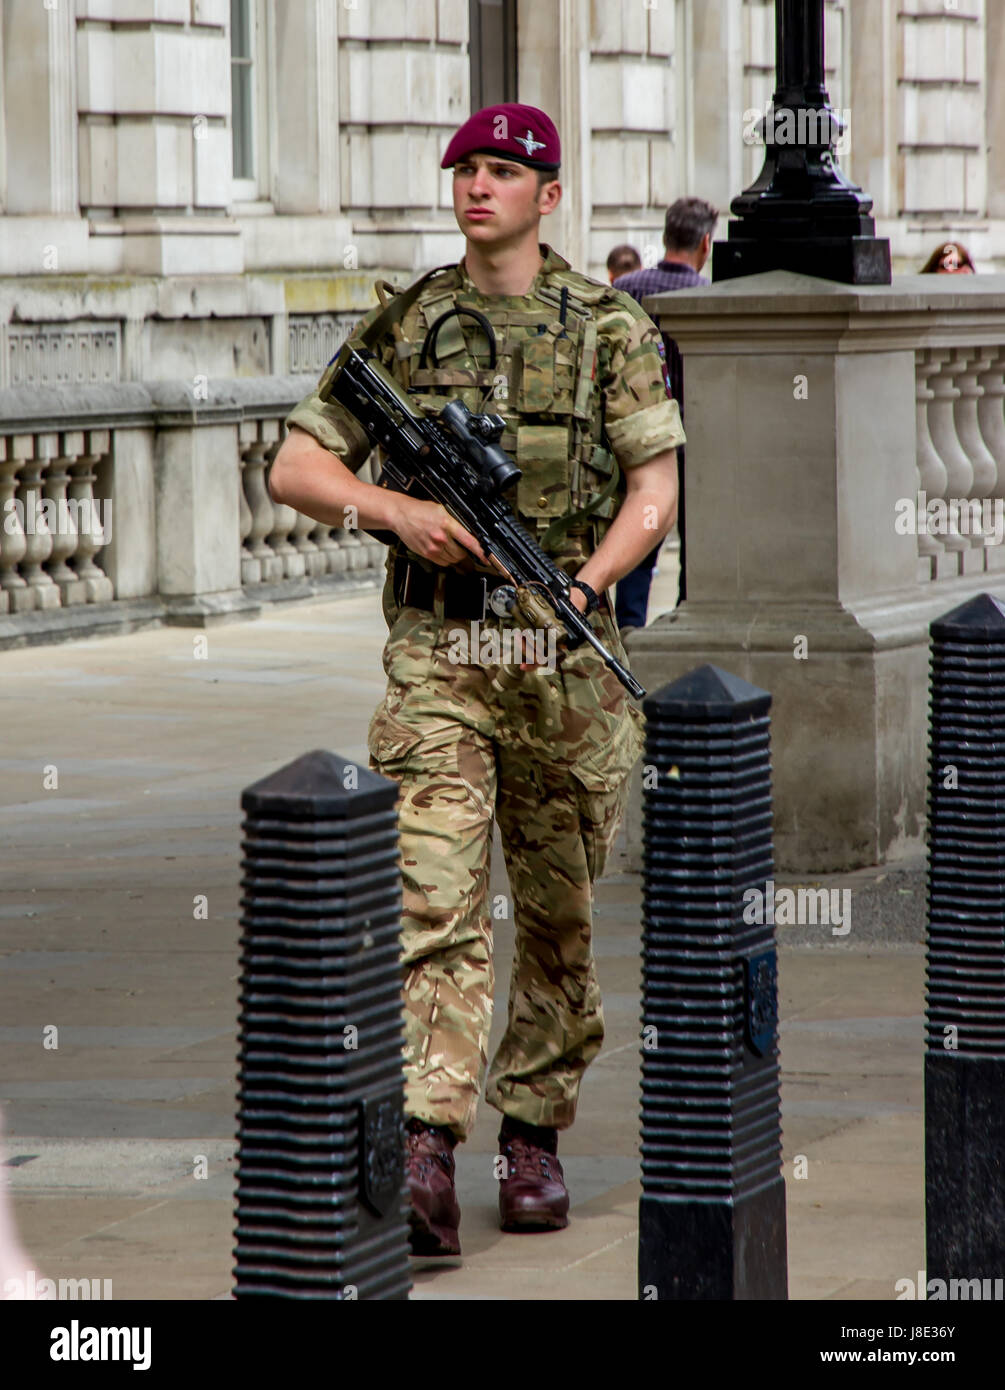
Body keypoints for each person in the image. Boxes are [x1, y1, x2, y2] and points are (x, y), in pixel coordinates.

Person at [268, 102, 683, 1258]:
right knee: (431, 898)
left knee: (557, 915)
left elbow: (656, 486)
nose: (478, 186)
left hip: (559, 656)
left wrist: (592, 586)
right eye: (467, 168)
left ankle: (533, 1135)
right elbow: (295, 466)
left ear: (550, 196)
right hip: (442, 655)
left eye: (505, 171)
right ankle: (428, 1147)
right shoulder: (407, 325)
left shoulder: (610, 326)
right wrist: (395, 507)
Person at [611, 196, 718, 632]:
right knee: (697, 544)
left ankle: (628, 632)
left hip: (635, 436)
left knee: (637, 540)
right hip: (694, 442)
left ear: (665, 236)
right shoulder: (711, 297)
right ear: (706, 244)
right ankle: (684, 628)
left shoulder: (625, 289)